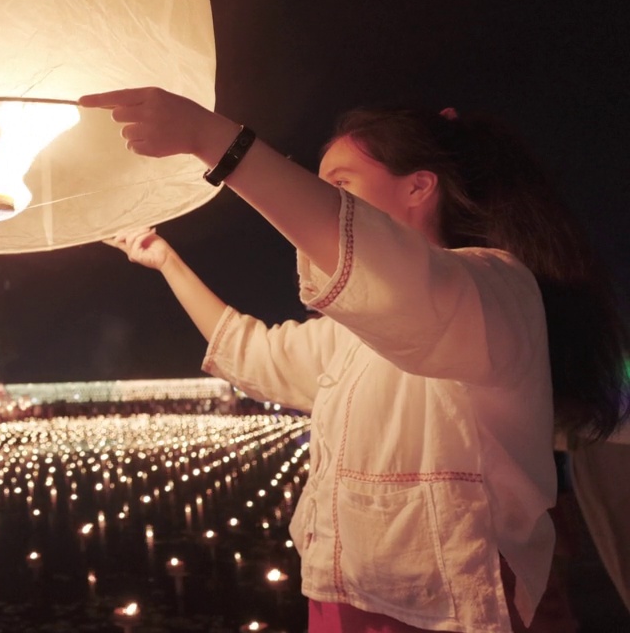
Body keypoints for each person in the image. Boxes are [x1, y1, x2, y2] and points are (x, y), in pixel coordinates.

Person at [83, 87, 628, 633]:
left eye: (339, 187)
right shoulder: (349, 334)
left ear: (419, 185)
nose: (320, 206)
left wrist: (213, 140)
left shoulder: (497, 288)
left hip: (453, 605)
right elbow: (255, 354)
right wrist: (167, 261)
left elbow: (398, 284)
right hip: (339, 593)